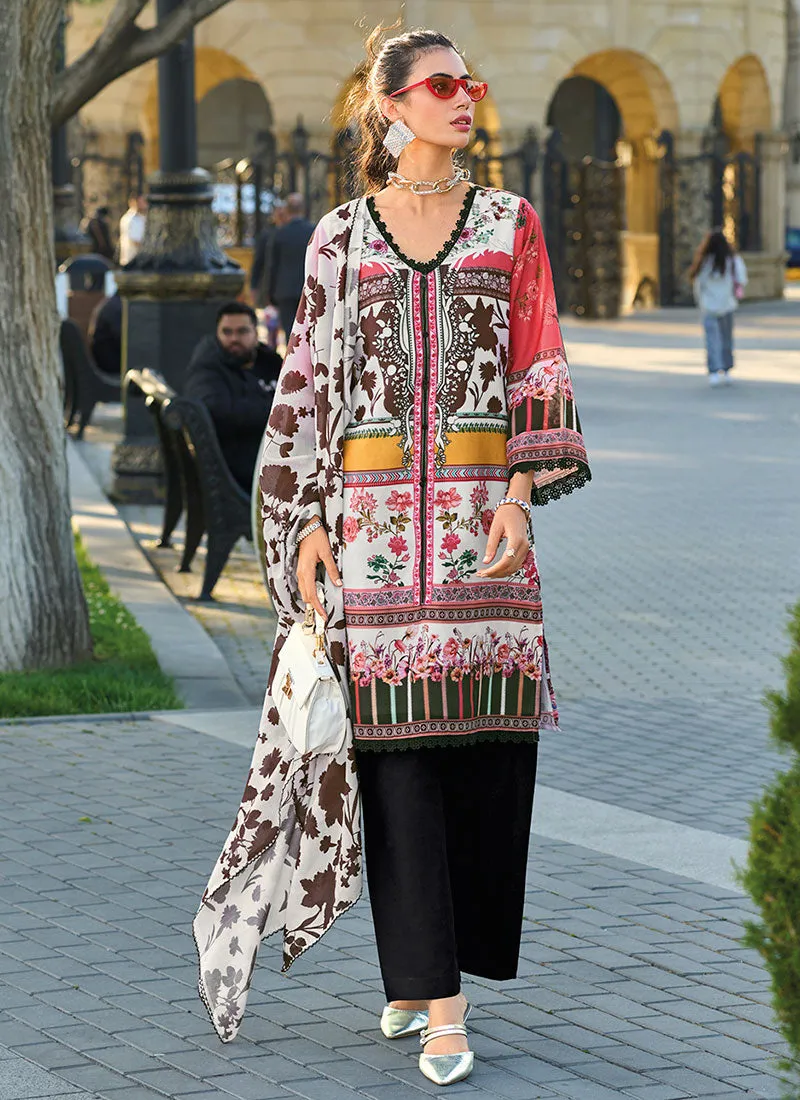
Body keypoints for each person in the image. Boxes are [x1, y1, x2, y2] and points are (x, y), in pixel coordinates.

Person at [193, 25, 591, 1086]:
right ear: (391, 109)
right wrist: (309, 520)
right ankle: (442, 1007)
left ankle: (425, 972)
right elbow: (307, 388)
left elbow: (536, 357)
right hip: (370, 552)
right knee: (400, 769)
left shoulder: (511, 224)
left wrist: (518, 492)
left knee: (487, 769)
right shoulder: (337, 239)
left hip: (483, 550)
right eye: (442, 84)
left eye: (471, 83)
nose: (466, 98)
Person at [183, 301, 282, 492]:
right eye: (227, 332)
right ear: (217, 334)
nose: (234, 339)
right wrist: (275, 412)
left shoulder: (269, 362)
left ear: (255, 333)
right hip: (239, 468)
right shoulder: (208, 367)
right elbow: (218, 409)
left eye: (242, 331)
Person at [690, 228, 748, 387]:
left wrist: (700, 302)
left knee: (711, 340)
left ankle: (714, 371)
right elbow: (742, 279)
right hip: (727, 305)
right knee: (726, 339)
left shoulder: (704, 262)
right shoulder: (733, 261)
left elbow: (698, 284)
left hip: (709, 306)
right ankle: (727, 369)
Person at [268, 192, 314, 339]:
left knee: (290, 332)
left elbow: (272, 265)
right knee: (309, 332)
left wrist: (271, 293)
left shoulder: (280, 233)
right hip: (309, 288)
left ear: (287, 210)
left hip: (285, 290)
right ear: (303, 209)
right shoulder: (313, 230)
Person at [249, 199, 286, 309]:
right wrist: (253, 286)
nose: (280, 216)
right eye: (278, 213)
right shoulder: (266, 235)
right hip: (268, 284)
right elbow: (258, 262)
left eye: (282, 213)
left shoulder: (291, 234)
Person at [89, 292, 122, 377]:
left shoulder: (112, 303)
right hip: (112, 369)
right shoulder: (118, 307)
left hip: (104, 365)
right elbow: (124, 341)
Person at [119, 192, 147, 266]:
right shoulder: (133, 219)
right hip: (134, 261)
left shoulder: (140, 217)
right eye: (141, 202)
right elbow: (136, 241)